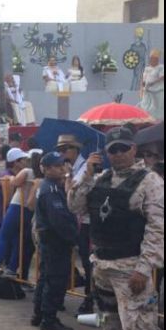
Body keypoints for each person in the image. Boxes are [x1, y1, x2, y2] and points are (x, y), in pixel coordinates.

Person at [68, 126, 164, 330]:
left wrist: (144, 267)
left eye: (124, 148)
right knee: (111, 323)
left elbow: (157, 227)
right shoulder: (100, 179)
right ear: (106, 152)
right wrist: (85, 175)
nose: (119, 154)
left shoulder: (150, 182)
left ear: (134, 149)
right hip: (104, 265)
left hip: (132, 267)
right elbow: (76, 205)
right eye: (113, 149)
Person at [31, 152, 78, 330]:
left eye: (63, 165)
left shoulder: (52, 187)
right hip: (55, 240)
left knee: (46, 277)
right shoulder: (50, 190)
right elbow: (59, 220)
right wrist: (73, 237)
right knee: (56, 280)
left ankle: (40, 314)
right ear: (47, 169)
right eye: (58, 166)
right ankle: (49, 319)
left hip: (50, 239)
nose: (62, 169)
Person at [57, 134, 94, 315]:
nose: (63, 153)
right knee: (85, 262)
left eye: (65, 149)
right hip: (78, 221)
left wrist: (67, 176)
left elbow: (71, 192)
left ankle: (90, 301)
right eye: (60, 150)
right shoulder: (73, 168)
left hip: (88, 222)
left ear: (75, 150)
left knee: (89, 263)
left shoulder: (85, 167)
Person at [0, 148, 35, 280]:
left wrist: (10, 178)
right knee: (18, 241)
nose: (26, 161)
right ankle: (11, 268)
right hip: (27, 209)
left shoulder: (25, 172)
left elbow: (14, 184)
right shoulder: (38, 174)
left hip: (16, 207)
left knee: (5, 236)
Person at [138, 49, 164, 120]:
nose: (152, 60)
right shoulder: (147, 68)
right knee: (144, 108)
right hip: (147, 91)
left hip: (158, 92)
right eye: (151, 58)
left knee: (157, 110)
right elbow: (143, 79)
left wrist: (153, 82)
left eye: (154, 58)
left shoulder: (161, 67)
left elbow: (162, 77)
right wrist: (142, 89)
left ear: (157, 59)